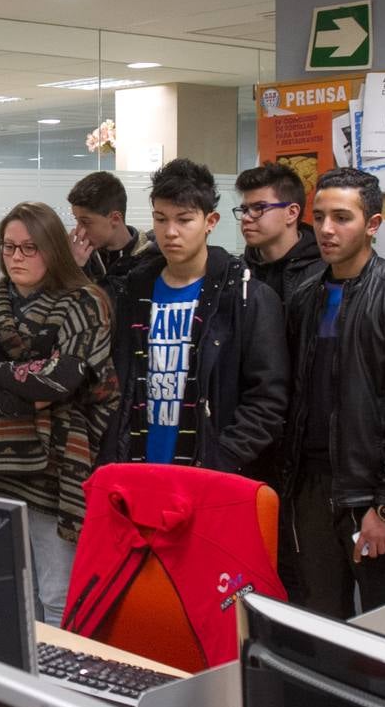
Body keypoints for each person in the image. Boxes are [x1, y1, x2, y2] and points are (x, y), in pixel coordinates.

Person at [278, 167, 385, 619]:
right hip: (310, 489)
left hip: (370, 494)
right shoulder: (304, 296)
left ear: (373, 224)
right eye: (319, 217)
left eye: (342, 217)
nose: (327, 229)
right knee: (318, 619)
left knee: (383, 623)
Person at [0, 201, 120, 624]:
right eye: (9, 247)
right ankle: (21, 666)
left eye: (30, 248)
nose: (17, 257)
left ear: (53, 249)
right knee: (13, 588)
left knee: (58, 591)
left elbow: (62, 380)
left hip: (57, 467)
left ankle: (59, 666)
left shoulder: (84, 302)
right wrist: (29, 388)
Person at [104, 159, 287, 478]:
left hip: (208, 473)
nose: (170, 232)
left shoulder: (245, 296)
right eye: (161, 219)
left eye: (184, 219)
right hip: (136, 468)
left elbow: (267, 398)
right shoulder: (131, 292)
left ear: (210, 221)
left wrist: (222, 458)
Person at [235, 161, 320, 303]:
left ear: (291, 213)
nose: (245, 218)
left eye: (258, 208)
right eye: (244, 210)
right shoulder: (237, 272)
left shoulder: (322, 273)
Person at [66, 170, 152, 297]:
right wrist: (74, 268)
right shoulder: (81, 259)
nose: (79, 230)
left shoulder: (150, 260)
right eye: (77, 220)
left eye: (85, 222)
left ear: (115, 219)